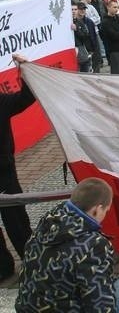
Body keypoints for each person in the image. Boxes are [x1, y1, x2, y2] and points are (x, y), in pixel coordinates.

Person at [16, 178, 119, 312]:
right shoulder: (94, 245)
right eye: (106, 211)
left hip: (30, 308)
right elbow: (100, 306)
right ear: (97, 209)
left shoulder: (46, 224)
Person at [0, 54, 35, 281]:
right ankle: (3, 268)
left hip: (3, 170)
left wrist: (25, 70)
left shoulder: (1, 101)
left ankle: (32, 262)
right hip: (4, 167)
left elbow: (25, 97)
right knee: (15, 218)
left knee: (16, 219)